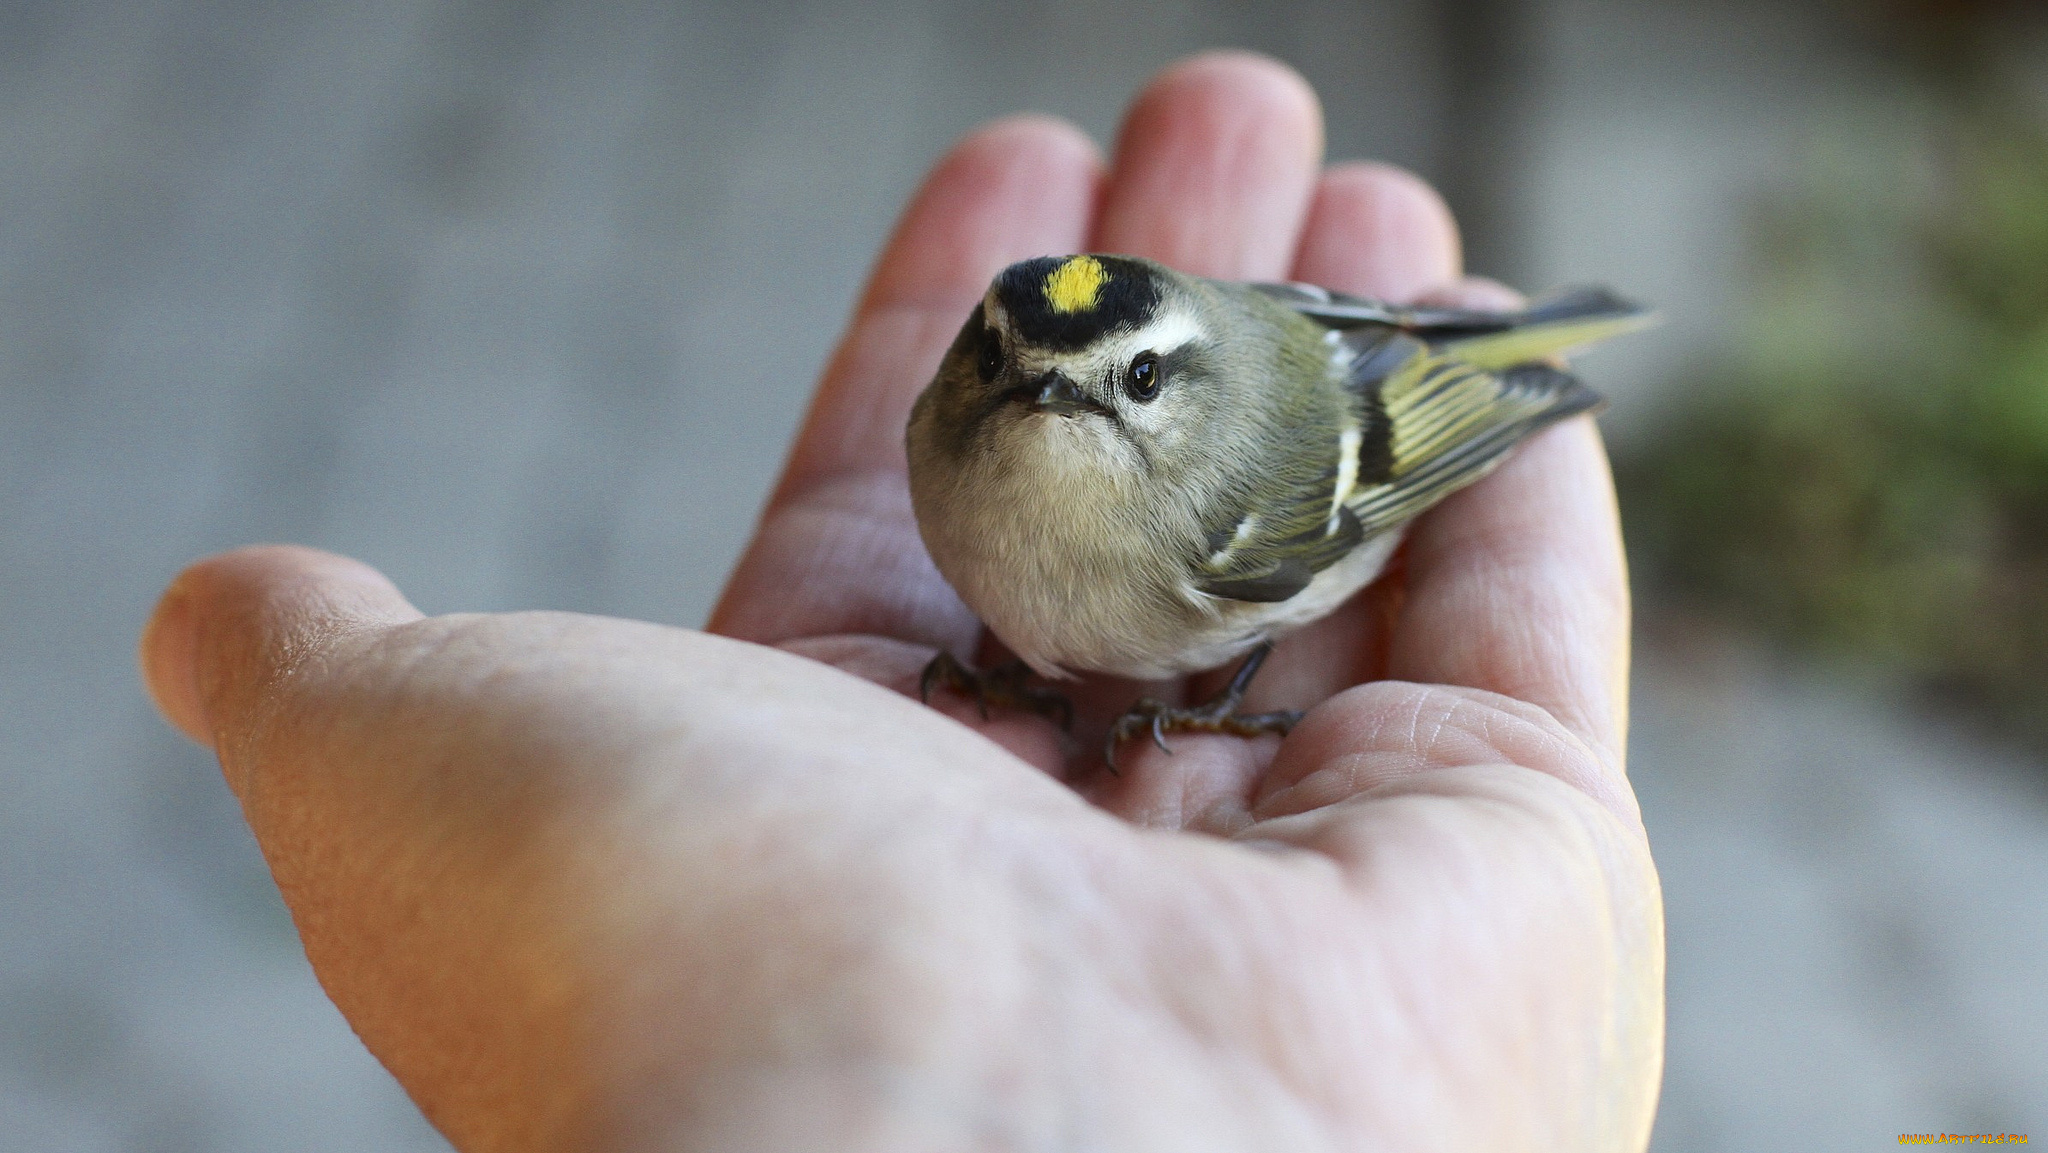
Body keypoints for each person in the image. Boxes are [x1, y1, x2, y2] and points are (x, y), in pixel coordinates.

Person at [139, 52, 1662, 1152]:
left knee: (1273, 529)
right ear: (967, 365)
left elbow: (1375, 427)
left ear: (1177, 384)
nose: (1043, 405)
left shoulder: (1210, 506)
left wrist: (1502, 385)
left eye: (1120, 387)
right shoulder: (947, 447)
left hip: (1342, 399)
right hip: (1261, 356)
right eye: (1011, 370)